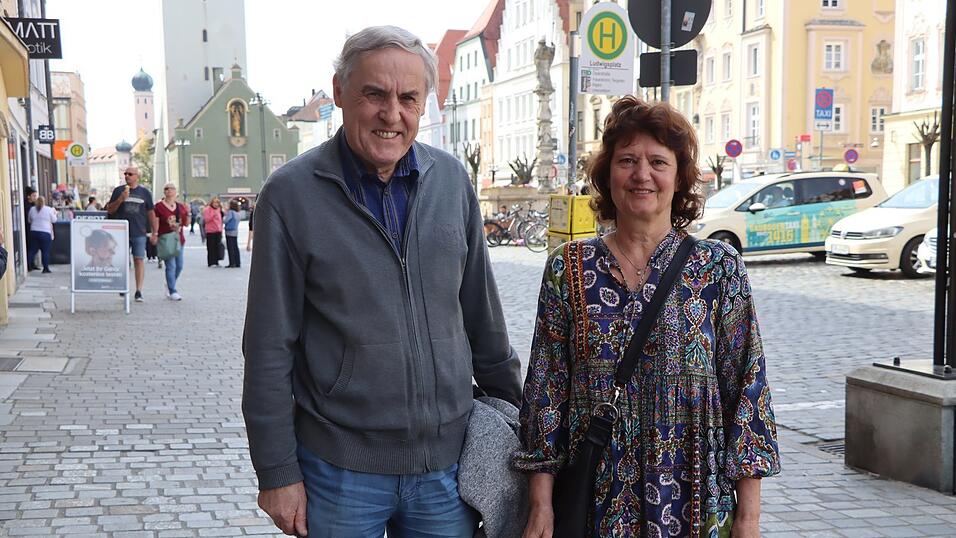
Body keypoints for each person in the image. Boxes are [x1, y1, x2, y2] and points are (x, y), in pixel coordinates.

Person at [242, 25, 522, 538]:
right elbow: (267, 347)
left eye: (408, 98)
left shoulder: (451, 181)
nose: (392, 114)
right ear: (340, 92)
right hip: (338, 469)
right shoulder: (290, 195)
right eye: (374, 94)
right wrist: (276, 471)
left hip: (446, 468)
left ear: (424, 102)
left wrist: (515, 419)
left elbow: (483, 317)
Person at [515, 97, 781, 537]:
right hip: (596, 502)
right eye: (627, 161)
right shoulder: (568, 268)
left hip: (696, 499)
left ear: (679, 178)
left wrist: (748, 517)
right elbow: (546, 392)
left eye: (658, 161)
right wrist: (541, 504)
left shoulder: (718, 267)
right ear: (607, 175)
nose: (642, 174)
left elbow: (747, 389)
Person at [105, 166, 157, 303]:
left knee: (139, 260)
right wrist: (121, 199)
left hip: (139, 231)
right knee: (122, 261)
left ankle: (139, 290)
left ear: (137, 176)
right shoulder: (118, 191)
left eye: (130, 174)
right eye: (125, 174)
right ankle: (123, 285)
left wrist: (155, 232)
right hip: (121, 232)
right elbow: (110, 210)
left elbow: (151, 213)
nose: (127, 176)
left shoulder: (145, 192)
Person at [154, 183, 190, 300]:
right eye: (166, 188)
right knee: (171, 265)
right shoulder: (159, 206)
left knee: (179, 265)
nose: (169, 190)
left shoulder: (180, 207)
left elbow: (186, 223)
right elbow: (155, 221)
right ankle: (172, 290)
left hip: (178, 239)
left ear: (175, 191)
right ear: (164, 192)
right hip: (165, 239)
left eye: (171, 188)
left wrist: (188, 213)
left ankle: (170, 283)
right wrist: (155, 234)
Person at [27, 196, 58, 273]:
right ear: (44, 202)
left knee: (32, 250)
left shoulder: (32, 209)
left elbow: (29, 220)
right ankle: (45, 268)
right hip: (45, 232)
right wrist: (55, 214)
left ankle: (28, 265)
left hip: (34, 232)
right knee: (45, 251)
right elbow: (54, 220)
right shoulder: (49, 209)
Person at [202, 197, 223, 267]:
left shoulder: (219, 209)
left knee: (217, 247)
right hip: (210, 231)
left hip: (218, 230)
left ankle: (216, 262)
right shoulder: (207, 209)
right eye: (215, 202)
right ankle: (211, 262)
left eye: (217, 203)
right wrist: (213, 215)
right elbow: (206, 219)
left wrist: (221, 230)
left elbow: (220, 221)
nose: (216, 204)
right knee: (211, 247)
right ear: (212, 203)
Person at [223, 199, 241, 268]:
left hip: (229, 232)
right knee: (235, 247)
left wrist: (223, 218)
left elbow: (226, 220)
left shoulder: (230, 212)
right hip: (235, 231)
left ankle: (232, 263)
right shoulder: (238, 213)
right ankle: (237, 262)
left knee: (230, 248)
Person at [24, 187, 37, 271]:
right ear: (28, 196)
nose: (35, 197)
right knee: (29, 247)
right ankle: (29, 265)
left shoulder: (33, 205)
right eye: (34, 196)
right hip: (28, 229)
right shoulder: (26, 206)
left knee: (33, 246)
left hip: (32, 228)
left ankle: (32, 263)